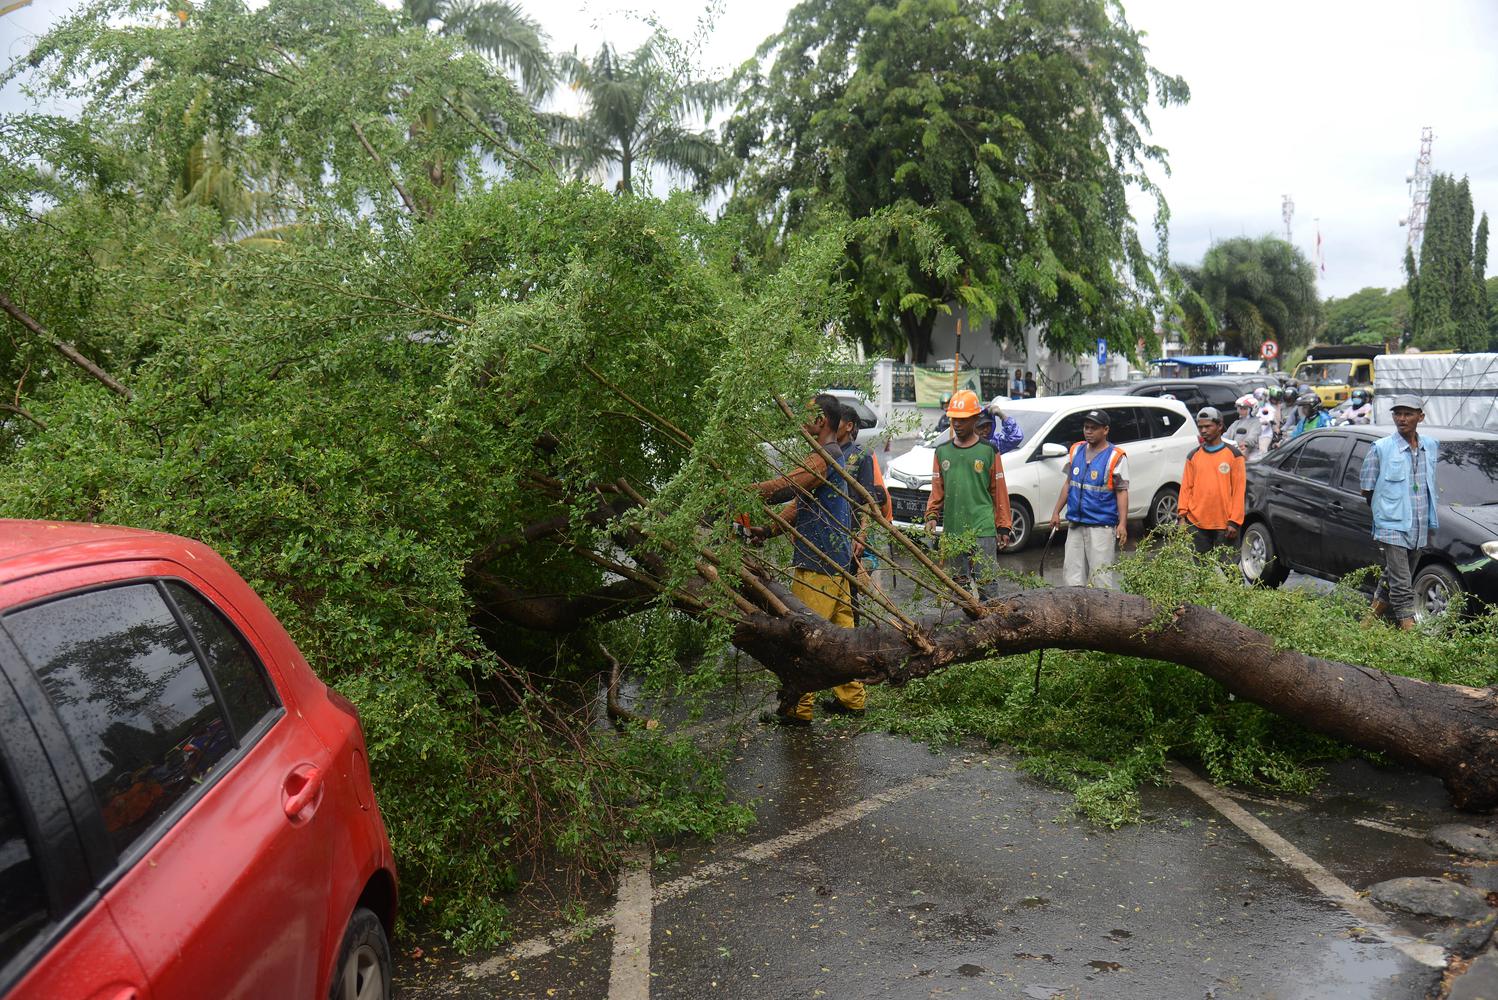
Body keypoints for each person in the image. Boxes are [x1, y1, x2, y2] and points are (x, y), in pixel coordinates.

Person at [749, 394, 862, 723]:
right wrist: (767, 531)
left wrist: (742, 490)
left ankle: (798, 708)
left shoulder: (823, 458)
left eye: (807, 414)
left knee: (801, 638)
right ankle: (852, 700)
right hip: (836, 560)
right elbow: (799, 505)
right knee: (844, 635)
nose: (800, 419)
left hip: (819, 563)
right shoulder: (828, 456)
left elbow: (785, 488)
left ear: (822, 421)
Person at [1359, 395, 1439, 630]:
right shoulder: (1381, 448)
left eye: (1408, 414)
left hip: (1419, 524)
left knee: (1391, 578)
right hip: (1392, 525)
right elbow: (1367, 488)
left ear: (1420, 417)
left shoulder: (1430, 447)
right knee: (1403, 584)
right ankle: (1409, 638)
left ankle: (1365, 625)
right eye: (1398, 414)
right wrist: (1386, 512)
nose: (1402, 419)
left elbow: (1429, 485)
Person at [924, 389, 1012, 600]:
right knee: (957, 587)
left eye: (962, 420)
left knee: (987, 586)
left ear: (975, 418)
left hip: (982, 528)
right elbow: (938, 488)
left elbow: (998, 491)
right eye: (954, 419)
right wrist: (931, 515)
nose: (956, 424)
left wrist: (1003, 525)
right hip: (954, 530)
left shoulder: (989, 451)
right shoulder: (942, 451)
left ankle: (991, 628)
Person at [1048, 409, 1129, 589]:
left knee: (1101, 578)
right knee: (1072, 577)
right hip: (1076, 524)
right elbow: (1069, 483)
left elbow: (1122, 491)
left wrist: (1122, 524)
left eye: (1093, 428)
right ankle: (1076, 615)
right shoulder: (1076, 450)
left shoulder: (1115, 456)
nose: (1088, 431)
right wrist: (1056, 512)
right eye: (1086, 427)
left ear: (1105, 430)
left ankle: (1102, 616)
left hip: (1101, 527)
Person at [1176, 407, 1246, 554]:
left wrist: (1234, 521)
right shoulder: (1193, 456)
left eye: (1208, 426)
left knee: (1230, 572)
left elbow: (1239, 490)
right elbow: (1186, 488)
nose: (1203, 430)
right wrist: (1182, 517)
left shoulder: (1234, 455)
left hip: (1225, 525)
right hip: (1196, 524)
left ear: (1220, 426)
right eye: (1200, 427)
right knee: (1201, 573)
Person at [1224, 395, 1260, 461]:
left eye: (1244, 408)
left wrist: (1245, 443)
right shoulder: (1237, 423)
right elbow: (1226, 435)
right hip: (1234, 449)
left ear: (1252, 409)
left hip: (1250, 452)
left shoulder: (1257, 422)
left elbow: (1253, 437)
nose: (1240, 410)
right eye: (1239, 408)